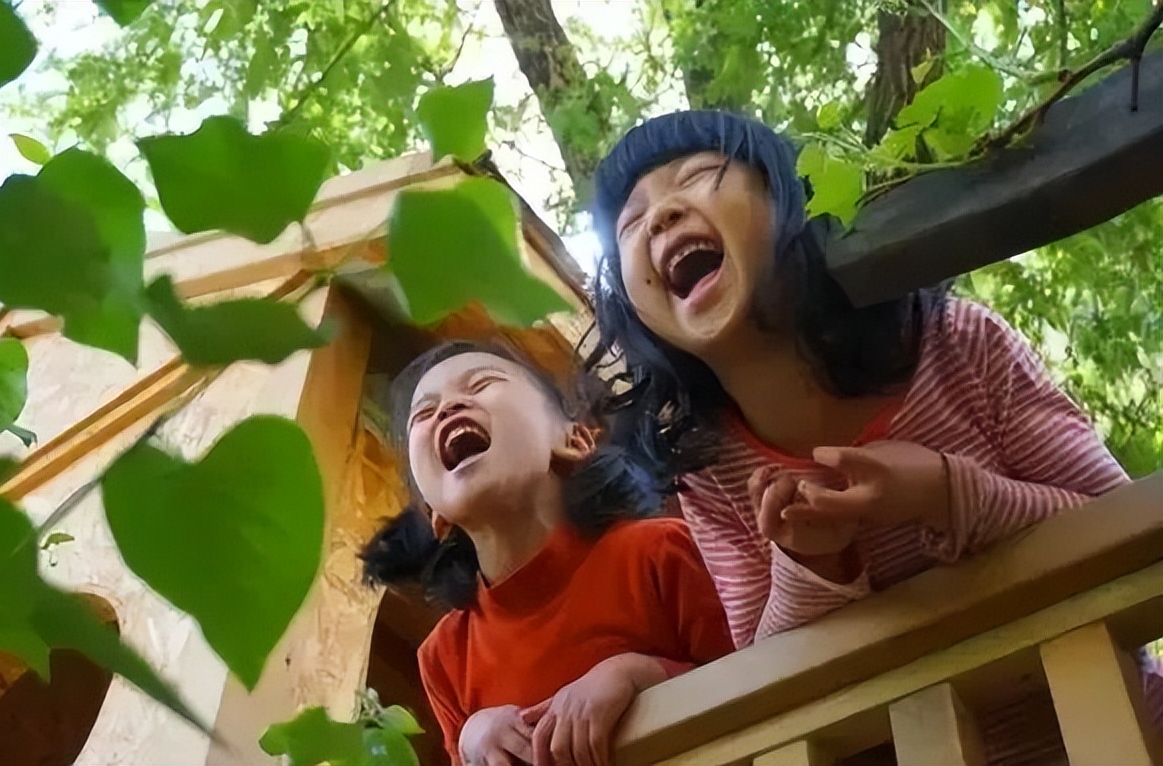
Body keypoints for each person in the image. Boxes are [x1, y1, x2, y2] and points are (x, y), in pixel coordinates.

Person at [586, 109, 1159, 764]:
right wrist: (812, 566)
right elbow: (772, 680)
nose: (660, 217)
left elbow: (1130, 538)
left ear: (790, 199)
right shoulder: (709, 472)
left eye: (696, 175)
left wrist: (943, 492)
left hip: (1128, 729)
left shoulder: (959, 345)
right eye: (631, 222)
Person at [361, 340, 734, 766]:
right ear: (434, 514)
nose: (448, 408)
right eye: (424, 414)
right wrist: (471, 743)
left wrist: (640, 676)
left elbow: (760, 685)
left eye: (481, 384)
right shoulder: (444, 657)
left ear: (574, 439)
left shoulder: (657, 552)